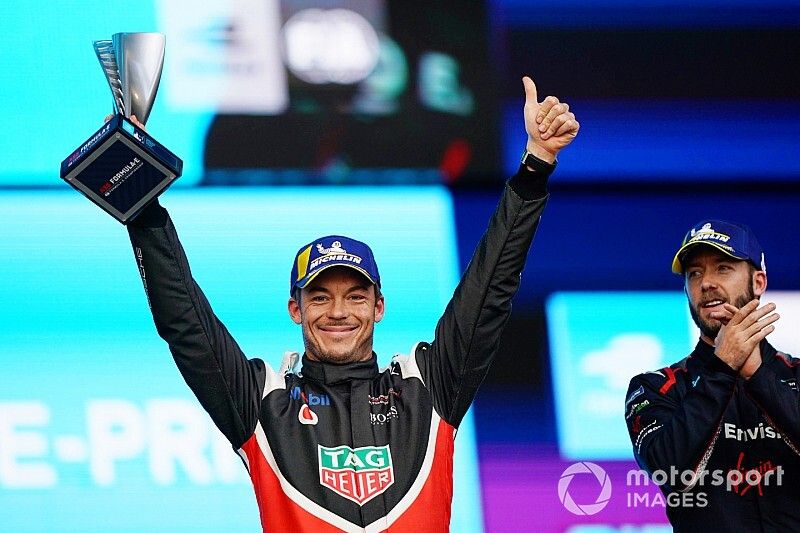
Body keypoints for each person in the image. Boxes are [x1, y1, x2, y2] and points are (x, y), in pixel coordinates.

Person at [123, 75, 578, 532]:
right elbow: (185, 322)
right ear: (295, 310)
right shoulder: (261, 402)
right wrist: (142, 205)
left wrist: (535, 165)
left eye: (355, 296)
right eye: (320, 297)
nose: (338, 312)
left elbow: (490, 288)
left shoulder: (430, 388)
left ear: (378, 306)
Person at [625, 220, 800, 531]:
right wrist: (723, 367)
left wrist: (757, 374)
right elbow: (669, 471)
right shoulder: (656, 387)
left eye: (722, 268)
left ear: (758, 282)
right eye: (694, 274)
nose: (706, 283)